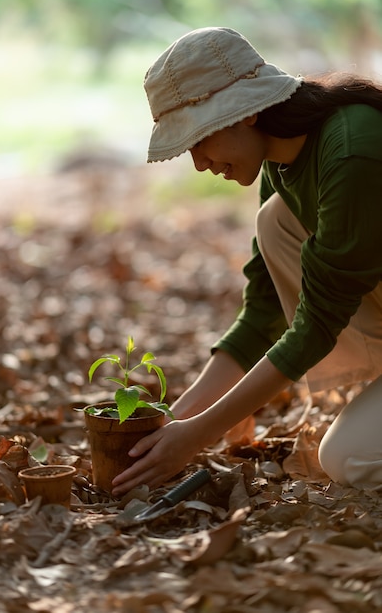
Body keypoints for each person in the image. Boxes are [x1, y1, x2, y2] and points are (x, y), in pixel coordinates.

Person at [111, 26, 382, 496]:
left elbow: (317, 323)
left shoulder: (352, 149)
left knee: (347, 458)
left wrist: (198, 435)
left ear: (246, 114)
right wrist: (177, 421)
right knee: (274, 219)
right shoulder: (280, 163)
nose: (198, 163)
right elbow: (263, 315)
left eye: (199, 141)